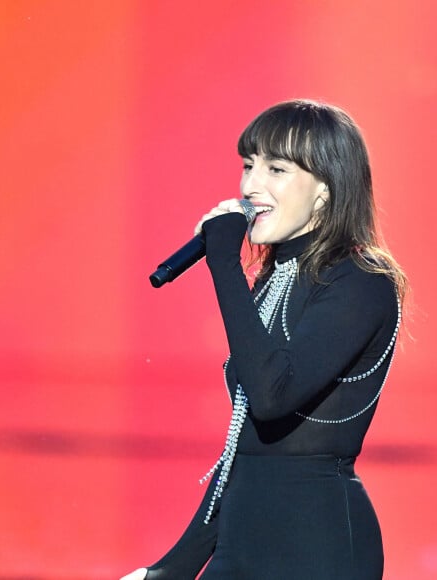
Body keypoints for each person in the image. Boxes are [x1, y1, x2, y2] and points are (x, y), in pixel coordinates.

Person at [121, 99, 406, 579]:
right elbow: (245, 447)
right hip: (242, 542)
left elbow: (274, 395)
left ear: (325, 188)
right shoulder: (275, 278)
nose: (251, 185)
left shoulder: (361, 281)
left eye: (276, 168)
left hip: (318, 548)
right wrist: (170, 570)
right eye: (249, 166)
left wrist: (224, 263)